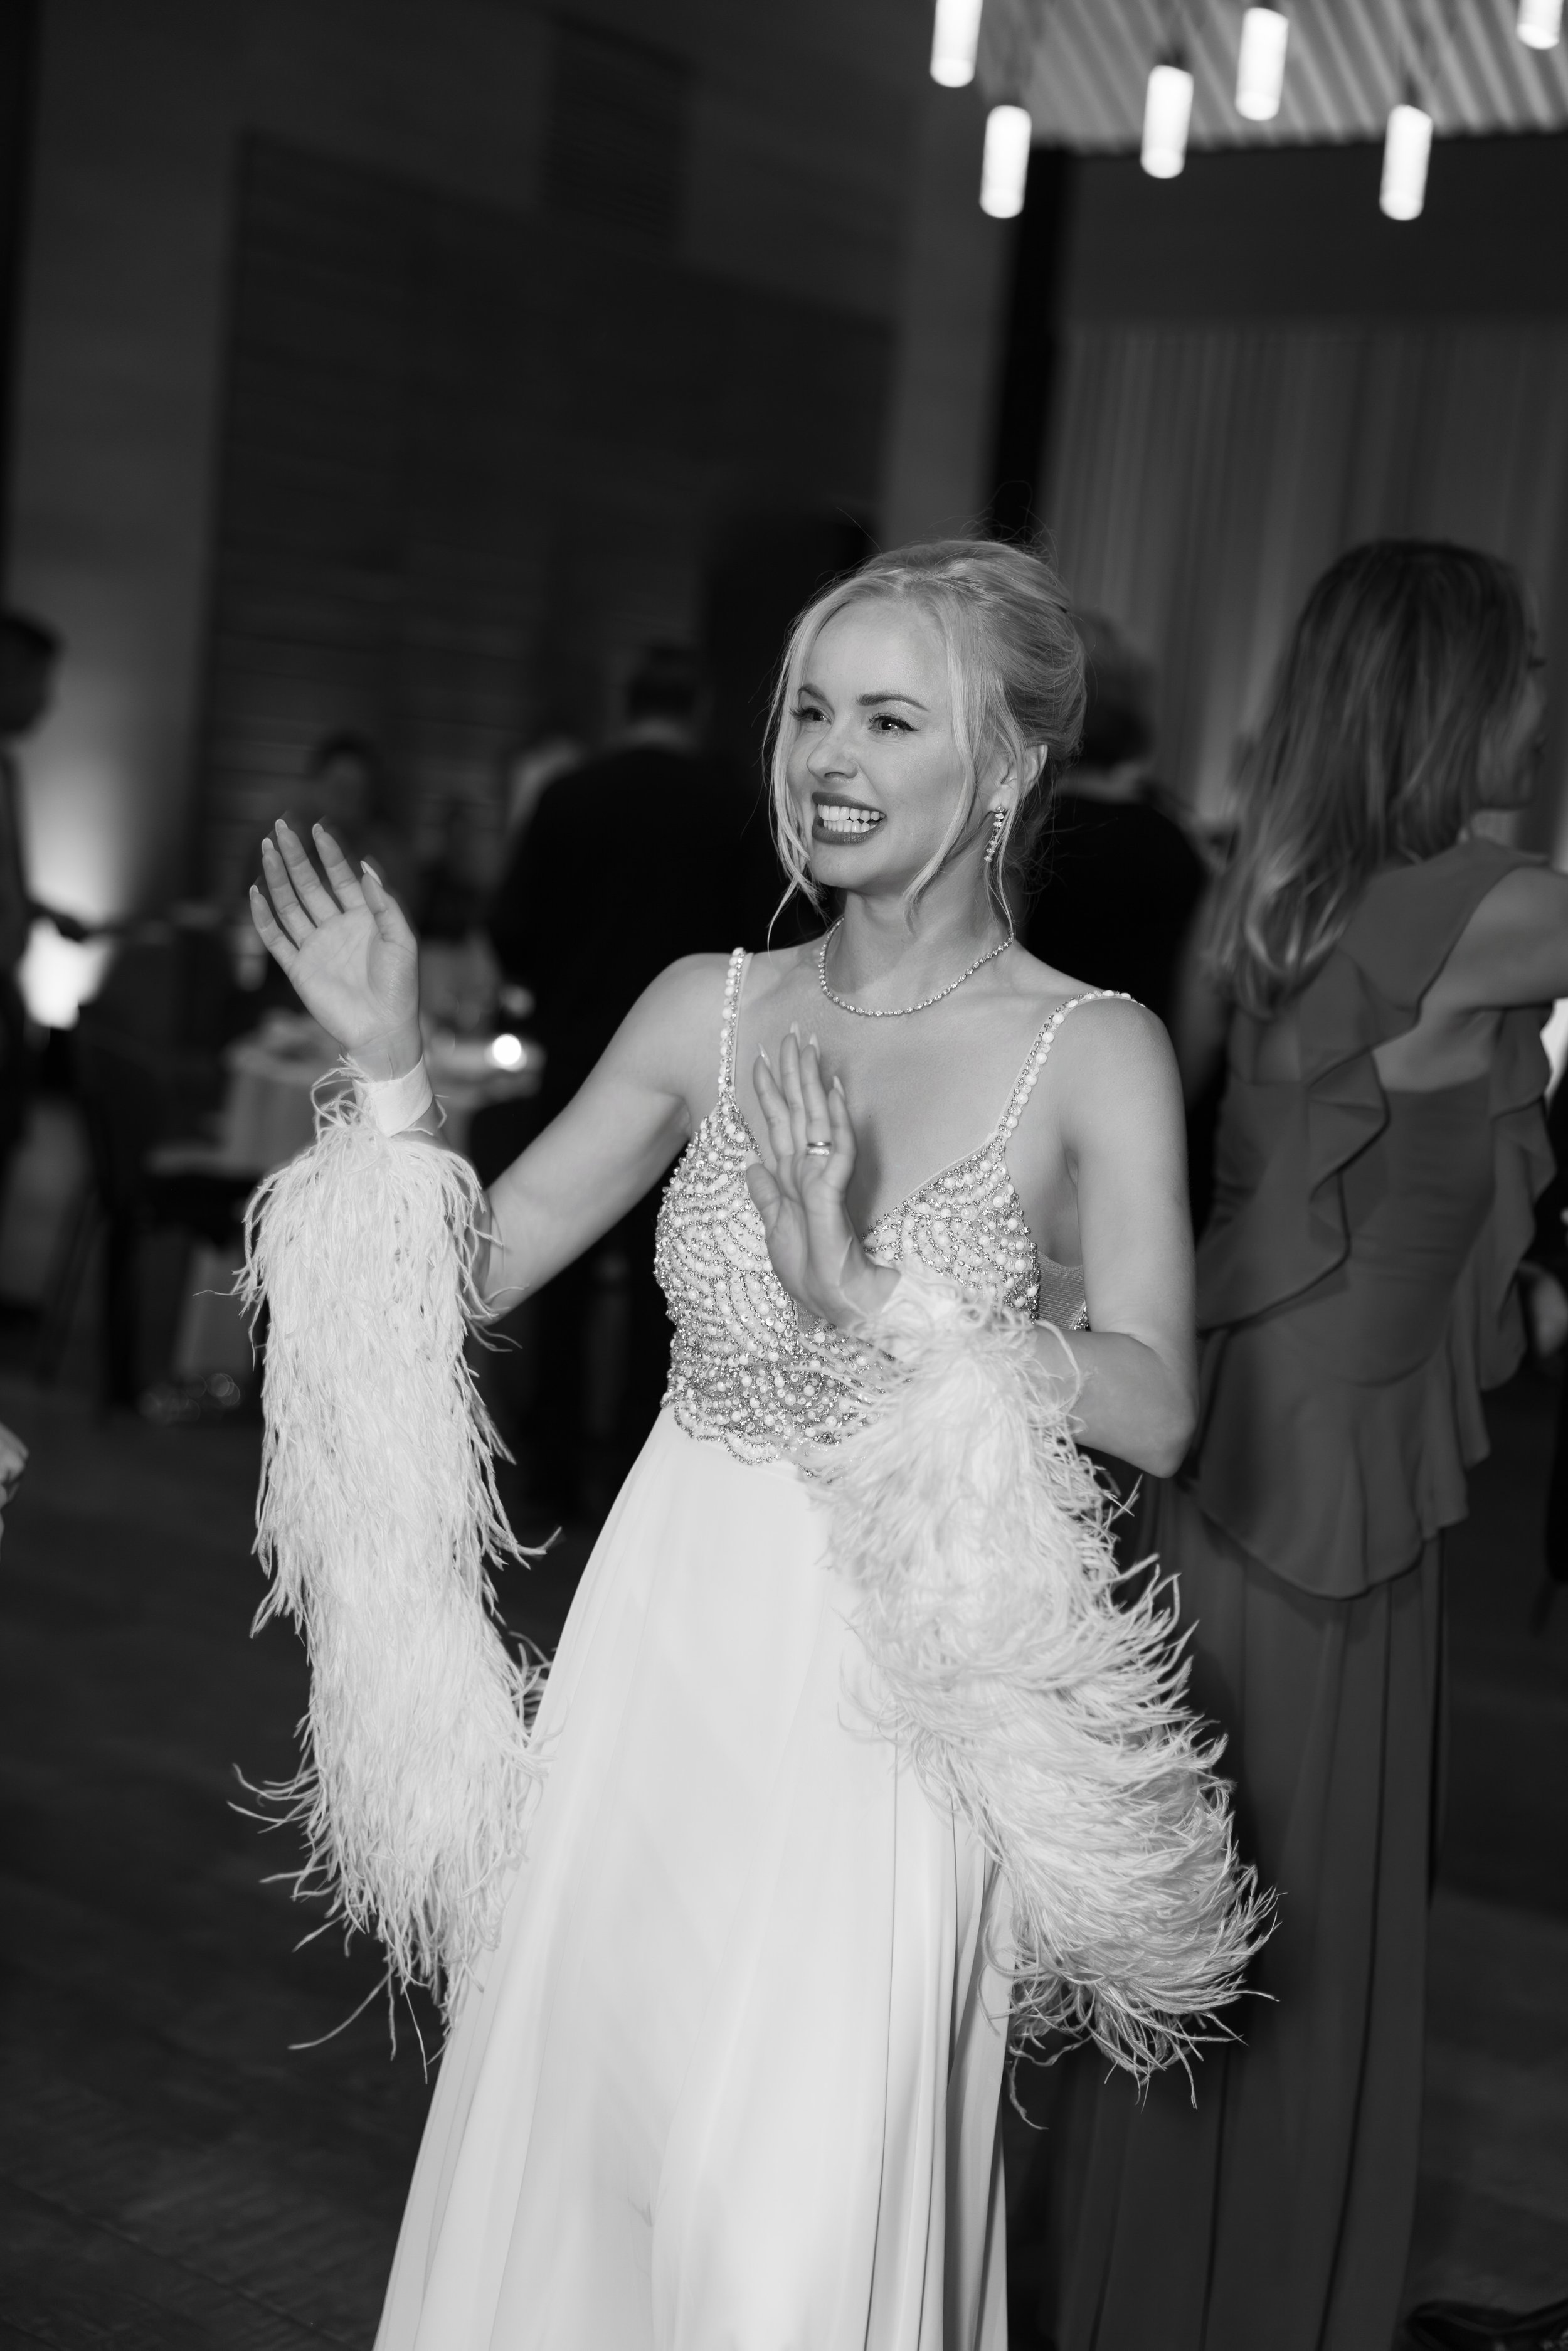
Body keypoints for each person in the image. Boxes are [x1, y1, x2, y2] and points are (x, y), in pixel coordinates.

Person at [248, 539, 1261, 2351]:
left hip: (897, 1674)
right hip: (670, 1625)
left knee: (795, 2183)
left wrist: (879, 1299)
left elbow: (1156, 1399)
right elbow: (464, 1274)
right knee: (598, 2128)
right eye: (809, 708)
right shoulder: (704, 1005)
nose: (827, 754)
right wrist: (392, 1062)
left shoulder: (1087, 1051)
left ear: (1006, 767)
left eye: (889, 716)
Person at [1013, 540, 1561, 2351]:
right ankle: (1241, 2305)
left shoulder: (1264, 894)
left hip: (1245, 1427)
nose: (1542, 697)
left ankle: (1146, 2285)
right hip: (1327, 1478)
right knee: (1284, 1905)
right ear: (1457, 695)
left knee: (1202, 1872)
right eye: (1522, 667)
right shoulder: (1480, 900)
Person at [482, 643, 780, 1513]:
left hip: (578, 1054)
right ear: (697, 705)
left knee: (560, 1273)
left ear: (629, 702)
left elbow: (513, 925)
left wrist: (556, 996)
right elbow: (765, 935)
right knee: (670, 1284)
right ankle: (639, 1476)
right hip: (704, 1071)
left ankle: (553, 1472)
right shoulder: (729, 804)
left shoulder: (571, 796)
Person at [1021, 612, 1207, 1031]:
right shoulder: (1175, 838)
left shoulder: (1019, 832)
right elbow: (1200, 1006)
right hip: (1143, 1071)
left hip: (1027, 1069)